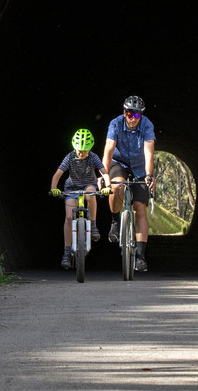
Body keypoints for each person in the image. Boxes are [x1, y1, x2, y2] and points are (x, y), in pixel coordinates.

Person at [101, 95, 157, 272]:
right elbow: (108, 150)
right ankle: (115, 221)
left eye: (137, 115)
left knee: (140, 207)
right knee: (116, 186)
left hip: (140, 166)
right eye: (130, 114)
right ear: (124, 113)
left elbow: (149, 152)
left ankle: (140, 256)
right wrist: (104, 176)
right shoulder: (115, 124)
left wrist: (149, 175)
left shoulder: (147, 125)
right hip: (120, 163)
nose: (133, 119)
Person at [49, 128, 106, 270]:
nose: (81, 153)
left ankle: (93, 226)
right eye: (79, 150)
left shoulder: (93, 157)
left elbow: (104, 173)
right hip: (72, 188)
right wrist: (53, 188)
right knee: (69, 218)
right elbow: (57, 174)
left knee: (91, 194)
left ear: (90, 149)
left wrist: (108, 186)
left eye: (85, 150)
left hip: (88, 185)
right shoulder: (69, 157)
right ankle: (67, 253)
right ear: (74, 147)